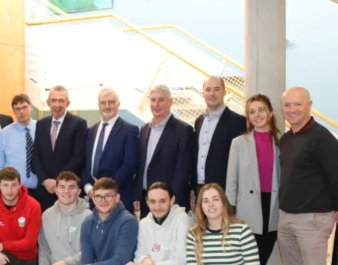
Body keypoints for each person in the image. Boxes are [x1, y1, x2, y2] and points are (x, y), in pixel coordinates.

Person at [270, 87, 338, 265]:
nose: (292, 110)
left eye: (298, 104)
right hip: (287, 217)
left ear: (309, 105)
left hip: (313, 219)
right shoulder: (286, 138)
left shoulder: (323, 139)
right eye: (287, 105)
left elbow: (336, 176)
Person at [226, 94, 280, 265]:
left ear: (270, 113)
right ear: (248, 118)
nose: (257, 115)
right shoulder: (239, 143)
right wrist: (231, 214)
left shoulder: (281, 142)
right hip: (247, 210)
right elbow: (231, 182)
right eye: (252, 112)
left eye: (261, 110)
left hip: (274, 209)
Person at [34, 171, 90, 265]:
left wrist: (65, 263)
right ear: (56, 190)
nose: (66, 191)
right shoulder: (47, 215)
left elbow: (90, 252)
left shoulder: (88, 216)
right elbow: (44, 249)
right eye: (62, 187)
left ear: (78, 192)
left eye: (71, 187)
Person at [134, 85, 194, 216]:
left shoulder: (183, 130)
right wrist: (138, 194)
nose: (156, 104)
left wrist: (172, 198)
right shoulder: (144, 129)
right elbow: (141, 165)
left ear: (170, 102)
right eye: (153, 100)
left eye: (161, 100)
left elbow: (183, 169)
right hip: (147, 200)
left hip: (170, 201)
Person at [190, 76, 245, 210]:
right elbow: (195, 157)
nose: (212, 94)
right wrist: (192, 189)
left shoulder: (239, 122)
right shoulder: (199, 121)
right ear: (203, 92)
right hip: (200, 191)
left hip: (224, 193)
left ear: (224, 92)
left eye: (216, 89)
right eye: (208, 90)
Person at [82, 88, 139, 213]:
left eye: (111, 102)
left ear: (118, 104)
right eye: (103, 103)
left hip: (118, 196)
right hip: (94, 198)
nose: (107, 106)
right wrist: (88, 187)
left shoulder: (130, 130)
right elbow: (86, 162)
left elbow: (129, 164)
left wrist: (106, 189)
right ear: (98, 106)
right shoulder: (91, 131)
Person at [32, 86, 87, 211]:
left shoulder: (79, 124)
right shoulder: (40, 124)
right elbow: (35, 155)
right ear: (48, 102)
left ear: (67, 103)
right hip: (44, 190)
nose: (57, 104)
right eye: (54, 100)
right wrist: (45, 180)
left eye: (61, 100)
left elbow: (79, 157)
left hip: (67, 190)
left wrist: (58, 182)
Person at [0, 94, 38, 195]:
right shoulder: (5, 133)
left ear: (31, 107)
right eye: (17, 109)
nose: (21, 112)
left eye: (24, 107)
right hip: (14, 190)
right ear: (13, 111)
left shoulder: (42, 128)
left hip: (40, 188)